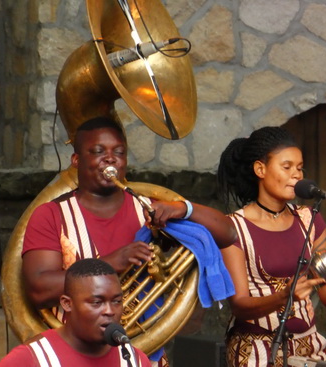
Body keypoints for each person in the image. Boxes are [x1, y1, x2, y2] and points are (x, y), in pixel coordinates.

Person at [21, 116, 237, 367]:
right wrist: (112, 263)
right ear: (76, 160)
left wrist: (183, 208)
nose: (110, 158)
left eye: (119, 152)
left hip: (145, 355)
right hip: (75, 357)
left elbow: (228, 234)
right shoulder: (50, 215)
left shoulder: (148, 208)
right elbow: (39, 289)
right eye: (98, 151)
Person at [216, 126, 326, 367]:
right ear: (260, 169)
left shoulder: (310, 220)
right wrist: (284, 296)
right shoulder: (233, 227)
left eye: (299, 168)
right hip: (256, 351)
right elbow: (240, 305)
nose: (296, 175)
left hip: (309, 348)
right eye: (286, 167)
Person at [0, 258, 152, 366]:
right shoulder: (30, 359)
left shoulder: (134, 360)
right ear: (67, 304)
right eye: (97, 302)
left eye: (116, 301)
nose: (109, 311)